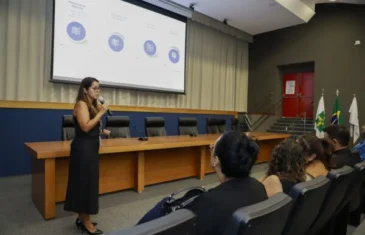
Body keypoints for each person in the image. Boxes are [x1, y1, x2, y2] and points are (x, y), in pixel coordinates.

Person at [137, 131, 268, 235]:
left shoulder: (208, 202)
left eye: (212, 148)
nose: (210, 149)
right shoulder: (259, 187)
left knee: (165, 204)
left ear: (216, 160)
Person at [64, 77, 110, 235]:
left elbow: (91, 127)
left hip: (91, 149)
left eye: (99, 88)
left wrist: (102, 131)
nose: (98, 90)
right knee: (84, 185)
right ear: (85, 89)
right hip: (83, 151)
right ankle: (85, 221)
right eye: (94, 88)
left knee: (88, 184)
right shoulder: (81, 104)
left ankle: (83, 217)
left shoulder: (92, 104)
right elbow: (84, 127)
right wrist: (102, 113)